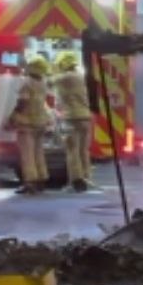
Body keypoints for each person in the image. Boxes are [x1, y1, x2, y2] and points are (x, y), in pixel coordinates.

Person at [10, 57, 52, 195]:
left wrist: (13, 115)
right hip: (41, 122)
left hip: (27, 122)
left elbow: (23, 102)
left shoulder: (27, 82)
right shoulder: (43, 82)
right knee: (38, 152)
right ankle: (41, 179)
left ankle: (30, 183)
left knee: (27, 154)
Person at [52, 52, 93, 192]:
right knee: (83, 150)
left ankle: (76, 181)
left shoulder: (65, 77)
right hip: (85, 117)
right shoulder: (82, 76)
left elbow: (47, 82)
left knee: (72, 151)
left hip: (71, 119)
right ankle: (86, 177)